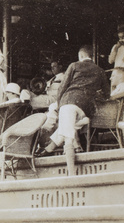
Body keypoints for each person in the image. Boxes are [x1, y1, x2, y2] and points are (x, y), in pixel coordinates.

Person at [38, 45, 110, 175]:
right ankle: (49, 148)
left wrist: (60, 106)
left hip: (69, 101)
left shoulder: (74, 66)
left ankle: (71, 174)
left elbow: (62, 88)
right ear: (92, 57)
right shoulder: (100, 70)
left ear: (80, 56)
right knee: (71, 126)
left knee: (69, 138)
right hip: (86, 108)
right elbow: (106, 94)